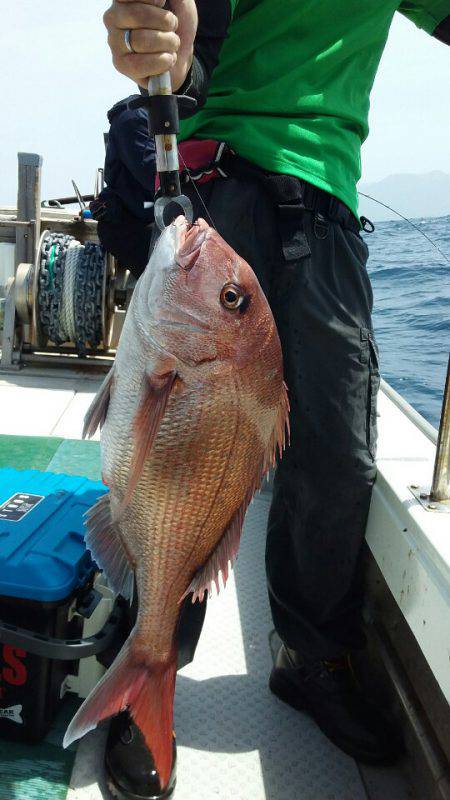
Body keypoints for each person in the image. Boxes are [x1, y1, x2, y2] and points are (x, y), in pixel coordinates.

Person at [99, 2, 450, 798]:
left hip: (327, 210)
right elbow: (189, 45)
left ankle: (311, 654)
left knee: (335, 457)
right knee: (176, 448)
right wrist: (168, 55)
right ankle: (150, 651)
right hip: (221, 188)